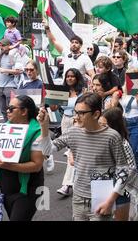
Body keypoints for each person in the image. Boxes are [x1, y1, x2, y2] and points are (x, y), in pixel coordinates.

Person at [38, 93, 131, 221]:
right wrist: (44, 126)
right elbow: (47, 150)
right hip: (78, 198)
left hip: (102, 197)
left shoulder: (112, 136)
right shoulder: (73, 132)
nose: (76, 117)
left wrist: (110, 200)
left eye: (81, 113)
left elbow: (123, 171)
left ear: (96, 114)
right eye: (75, 112)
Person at [0, 96, 45, 221]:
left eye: (11, 109)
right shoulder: (4, 129)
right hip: (6, 186)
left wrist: (6, 165)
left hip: (28, 189)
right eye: (7, 108)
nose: (7, 111)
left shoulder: (37, 132)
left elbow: (36, 165)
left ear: (24, 111)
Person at [99, 108, 138, 221]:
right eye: (99, 124)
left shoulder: (123, 144)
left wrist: (116, 190)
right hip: (103, 188)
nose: (101, 128)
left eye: (104, 125)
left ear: (114, 126)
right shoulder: (101, 141)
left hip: (121, 191)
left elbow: (131, 170)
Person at [56, 68, 86, 196]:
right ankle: (78, 180)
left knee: (72, 153)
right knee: (73, 153)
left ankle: (67, 185)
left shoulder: (82, 92)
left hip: (77, 121)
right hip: (65, 120)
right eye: (67, 76)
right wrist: (52, 101)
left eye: (72, 76)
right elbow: (55, 107)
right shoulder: (63, 91)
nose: (69, 78)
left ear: (77, 78)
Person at [0, 38, 23, 121]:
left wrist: (5, 70)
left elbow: (19, 71)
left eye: (3, 45)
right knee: (3, 110)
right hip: (0, 85)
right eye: (0, 45)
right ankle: (6, 126)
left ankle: (12, 127)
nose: (1, 47)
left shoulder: (14, 54)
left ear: (9, 46)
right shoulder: (0, 55)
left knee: (11, 110)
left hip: (10, 85)